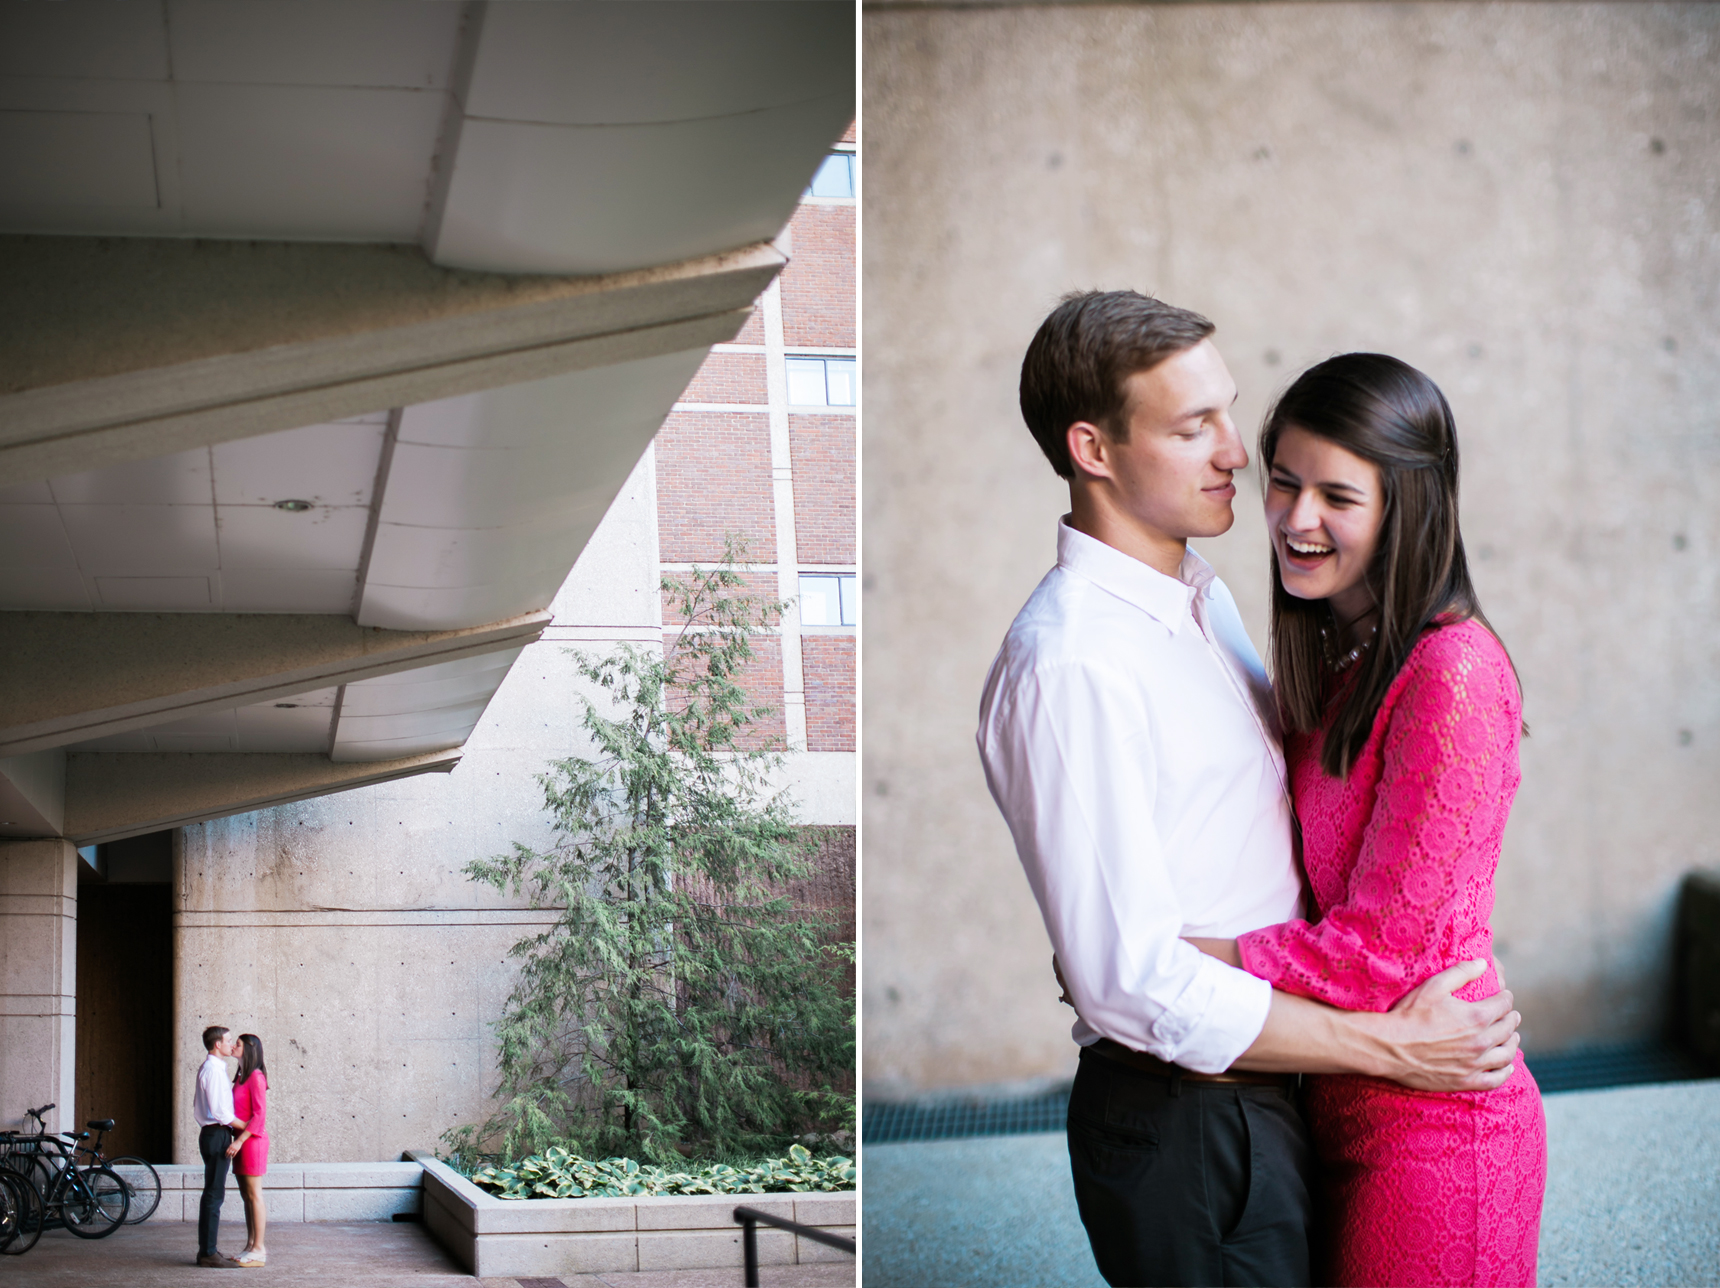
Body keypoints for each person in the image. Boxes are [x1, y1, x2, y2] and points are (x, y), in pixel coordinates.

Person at [976, 290, 1522, 1288]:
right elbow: (1132, 979)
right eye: (1194, 427)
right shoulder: (1071, 665)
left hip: (1280, 1095)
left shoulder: (1205, 602)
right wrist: (1392, 1049)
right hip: (1192, 1116)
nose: (1236, 453)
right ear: (1094, 450)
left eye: (1227, 411)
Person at [1185, 353, 1547, 1285]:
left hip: (1439, 1128)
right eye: (1285, 483)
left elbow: (1385, 949)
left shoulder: (1452, 673)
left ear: (1404, 510)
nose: (1297, 520)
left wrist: (1178, 958)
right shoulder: (1338, 664)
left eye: (1337, 496)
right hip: (1340, 1098)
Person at [192, 1025, 247, 1269]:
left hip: (214, 1134)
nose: (231, 1044)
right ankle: (208, 1253)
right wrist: (246, 1126)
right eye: (228, 1040)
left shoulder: (214, 1068)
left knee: (214, 1194)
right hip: (217, 1134)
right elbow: (221, 1112)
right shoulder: (213, 1070)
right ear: (217, 1044)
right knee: (214, 1195)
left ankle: (209, 1249)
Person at [225, 1034, 271, 1268]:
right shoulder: (241, 1076)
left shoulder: (256, 1076)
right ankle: (250, 1244)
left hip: (251, 1142)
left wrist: (240, 1141)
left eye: (238, 1044)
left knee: (254, 1195)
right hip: (241, 1141)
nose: (233, 1046)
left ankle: (259, 1249)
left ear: (250, 1049)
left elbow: (259, 1116)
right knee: (246, 1197)